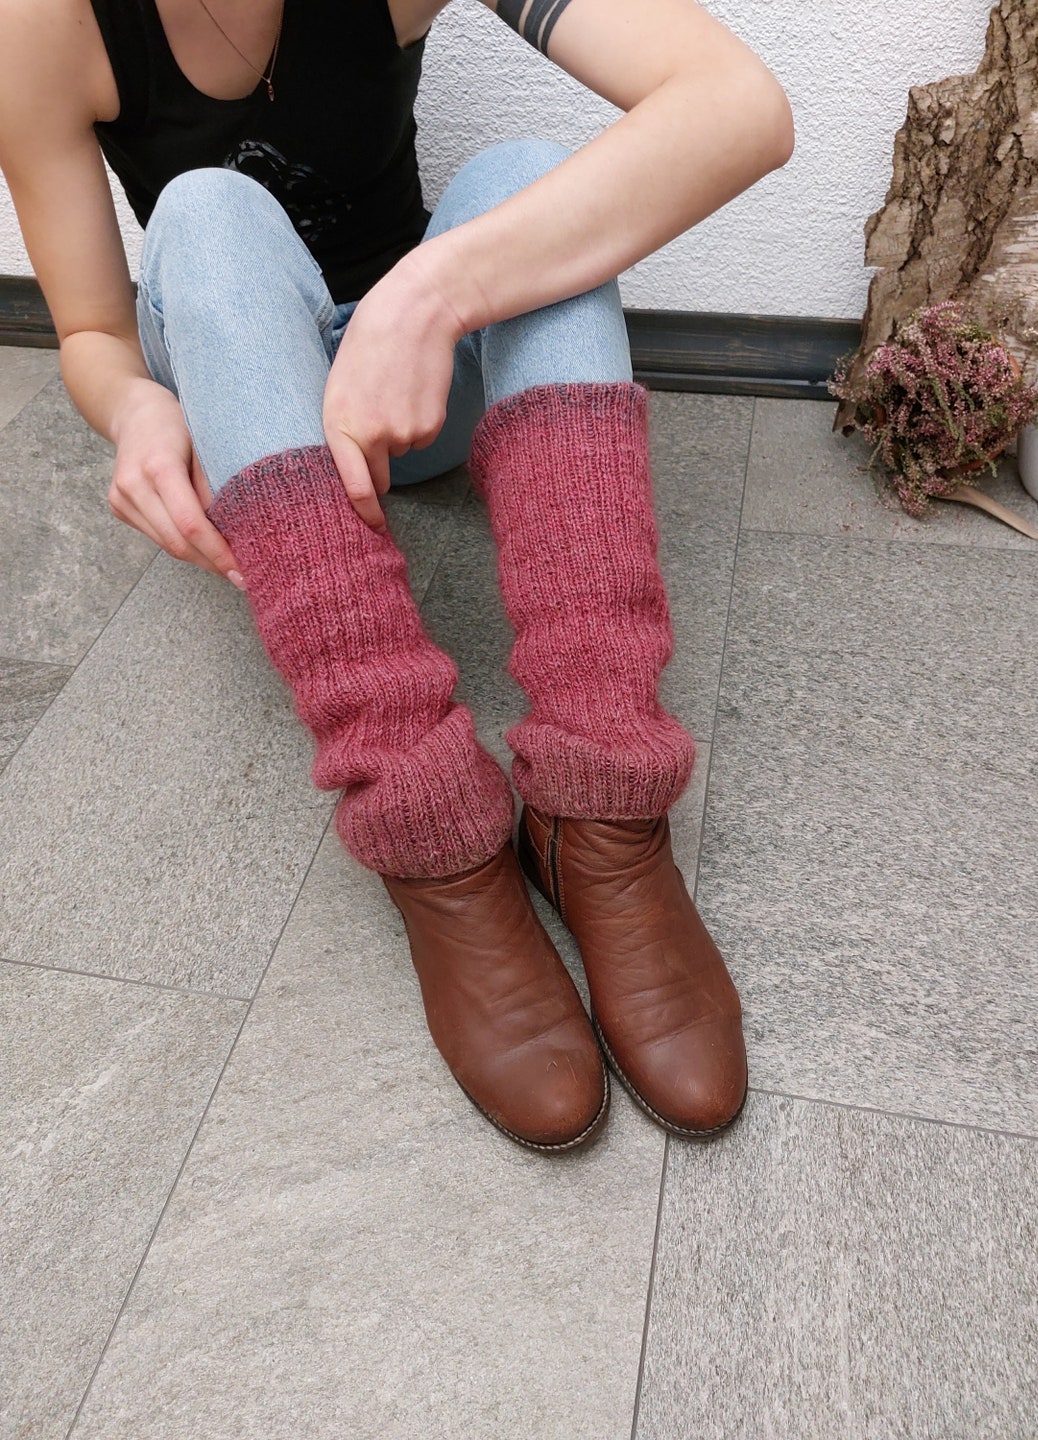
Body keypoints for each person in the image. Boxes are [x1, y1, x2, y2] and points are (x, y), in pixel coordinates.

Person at [0, 0, 793, 1151]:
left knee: (529, 173)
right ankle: (434, 835)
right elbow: (91, 334)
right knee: (204, 211)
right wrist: (131, 412)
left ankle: (602, 806)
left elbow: (739, 110)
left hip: (415, 400)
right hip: (247, 398)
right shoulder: (41, 23)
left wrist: (434, 292)